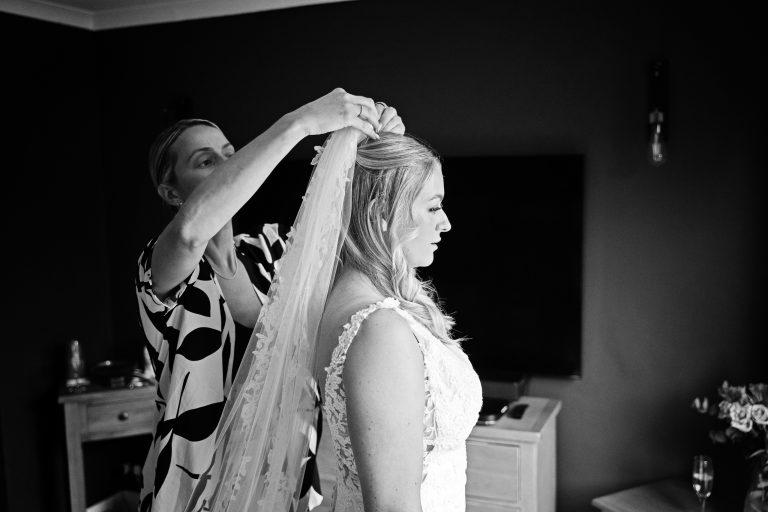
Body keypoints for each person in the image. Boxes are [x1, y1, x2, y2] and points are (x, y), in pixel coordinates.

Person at [134, 88, 404, 512]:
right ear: (171, 194)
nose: (231, 166)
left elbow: (363, 228)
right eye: (206, 161)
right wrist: (301, 122)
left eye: (231, 153)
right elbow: (190, 232)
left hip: (287, 487)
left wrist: (378, 142)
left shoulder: (271, 250)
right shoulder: (160, 267)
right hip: (193, 493)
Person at [316, 132, 483, 512]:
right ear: (379, 212)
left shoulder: (345, 300)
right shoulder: (381, 331)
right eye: (432, 207)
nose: (446, 223)